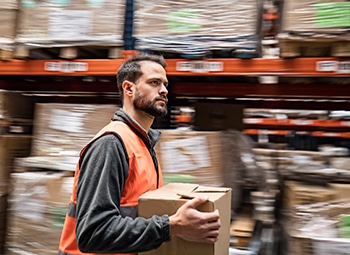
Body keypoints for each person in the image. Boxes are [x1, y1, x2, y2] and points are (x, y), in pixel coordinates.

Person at [58, 52, 221, 255]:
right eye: (154, 82)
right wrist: (173, 226)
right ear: (129, 88)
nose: (163, 90)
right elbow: (93, 233)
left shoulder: (144, 144)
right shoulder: (111, 144)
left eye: (165, 84)